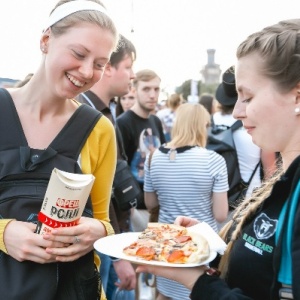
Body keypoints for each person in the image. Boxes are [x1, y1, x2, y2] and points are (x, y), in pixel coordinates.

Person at [136, 19, 300, 300]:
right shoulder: (287, 178)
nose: (236, 111)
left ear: (297, 96)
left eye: (247, 97)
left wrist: (197, 281)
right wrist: (213, 243)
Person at [0, 1, 119, 299]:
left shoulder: (99, 129)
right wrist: (4, 233)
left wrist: (100, 233)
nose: (87, 71)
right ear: (45, 40)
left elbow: (103, 219)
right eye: (78, 54)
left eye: (100, 64)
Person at [144, 102, 229, 299]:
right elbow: (221, 214)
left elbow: (150, 204)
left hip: (166, 242)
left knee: (164, 294)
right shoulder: (213, 160)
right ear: (203, 126)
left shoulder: (153, 157)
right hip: (200, 247)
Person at [77, 33, 137, 300]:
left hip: (112, 236)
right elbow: (100, 195)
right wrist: (116, 253)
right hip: (101, 242)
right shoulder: (82, 115)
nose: (132, 74)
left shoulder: (107, 112)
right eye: (129, 66)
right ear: (109, 68)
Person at [213, 66, 277, 201]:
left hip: (217, 200)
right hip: (248, 196)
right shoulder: (255, 125)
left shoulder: (212, 121)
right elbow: (270, 171)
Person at [116, 69, 166, 230]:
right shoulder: (122, 123)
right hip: (135, 208)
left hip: (157, 204)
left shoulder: (156, 121)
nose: (152, 95)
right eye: (146, 89)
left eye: (156, 89)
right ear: (134, 90)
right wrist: (130, 208)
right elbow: (118, 167)